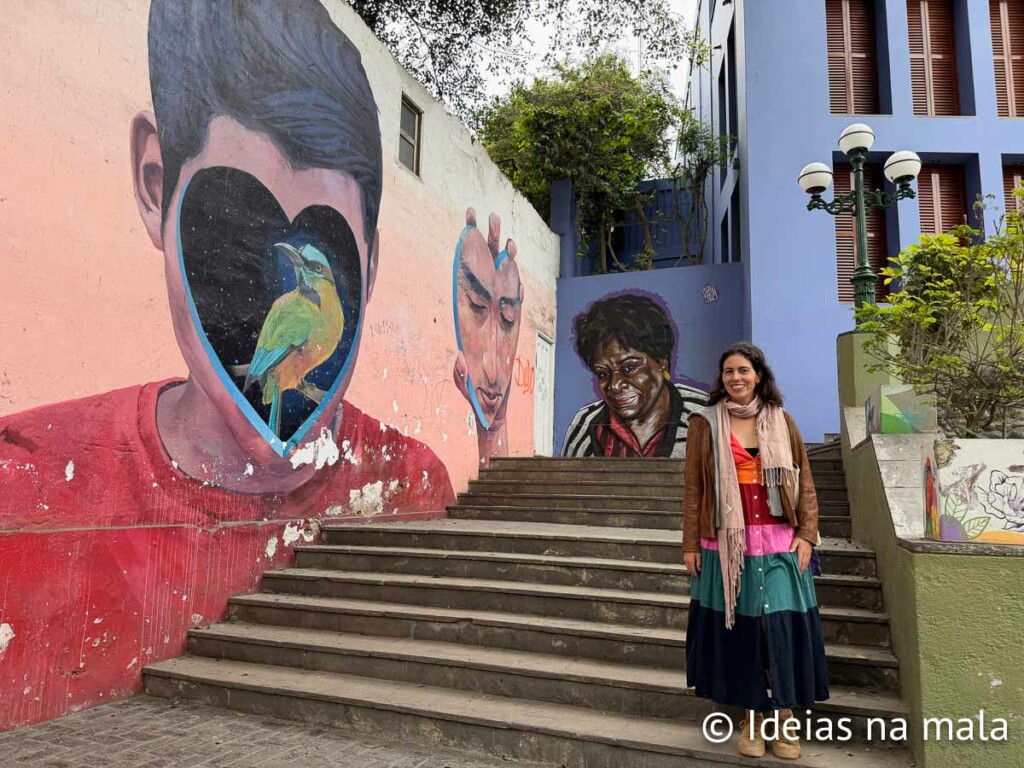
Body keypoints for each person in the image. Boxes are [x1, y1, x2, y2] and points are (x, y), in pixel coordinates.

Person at [0, 0, 456, 727]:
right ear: (155, 184)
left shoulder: (413, 484)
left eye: (333, 250)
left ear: (370, 262)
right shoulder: (19, 485)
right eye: (227, 237)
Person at [682, 342, 828, 760]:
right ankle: (752, 716)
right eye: (728, 371)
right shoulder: (704, 424)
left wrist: (807, 534)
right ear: (721, 378)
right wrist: (690, 542)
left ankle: (785, 716)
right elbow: (693, 488)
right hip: (726, 544)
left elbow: (806, 481)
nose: (736, 378)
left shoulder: (783, 422)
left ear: (759, 375)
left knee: (780, 629)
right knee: (743, 633)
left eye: (744, 370)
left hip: (781, 543)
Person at [561, 294, 707, 458]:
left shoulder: (706, 415)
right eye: (603, 373)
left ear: (661, 362)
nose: (615, 385)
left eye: (629, 367)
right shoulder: (585, 425)